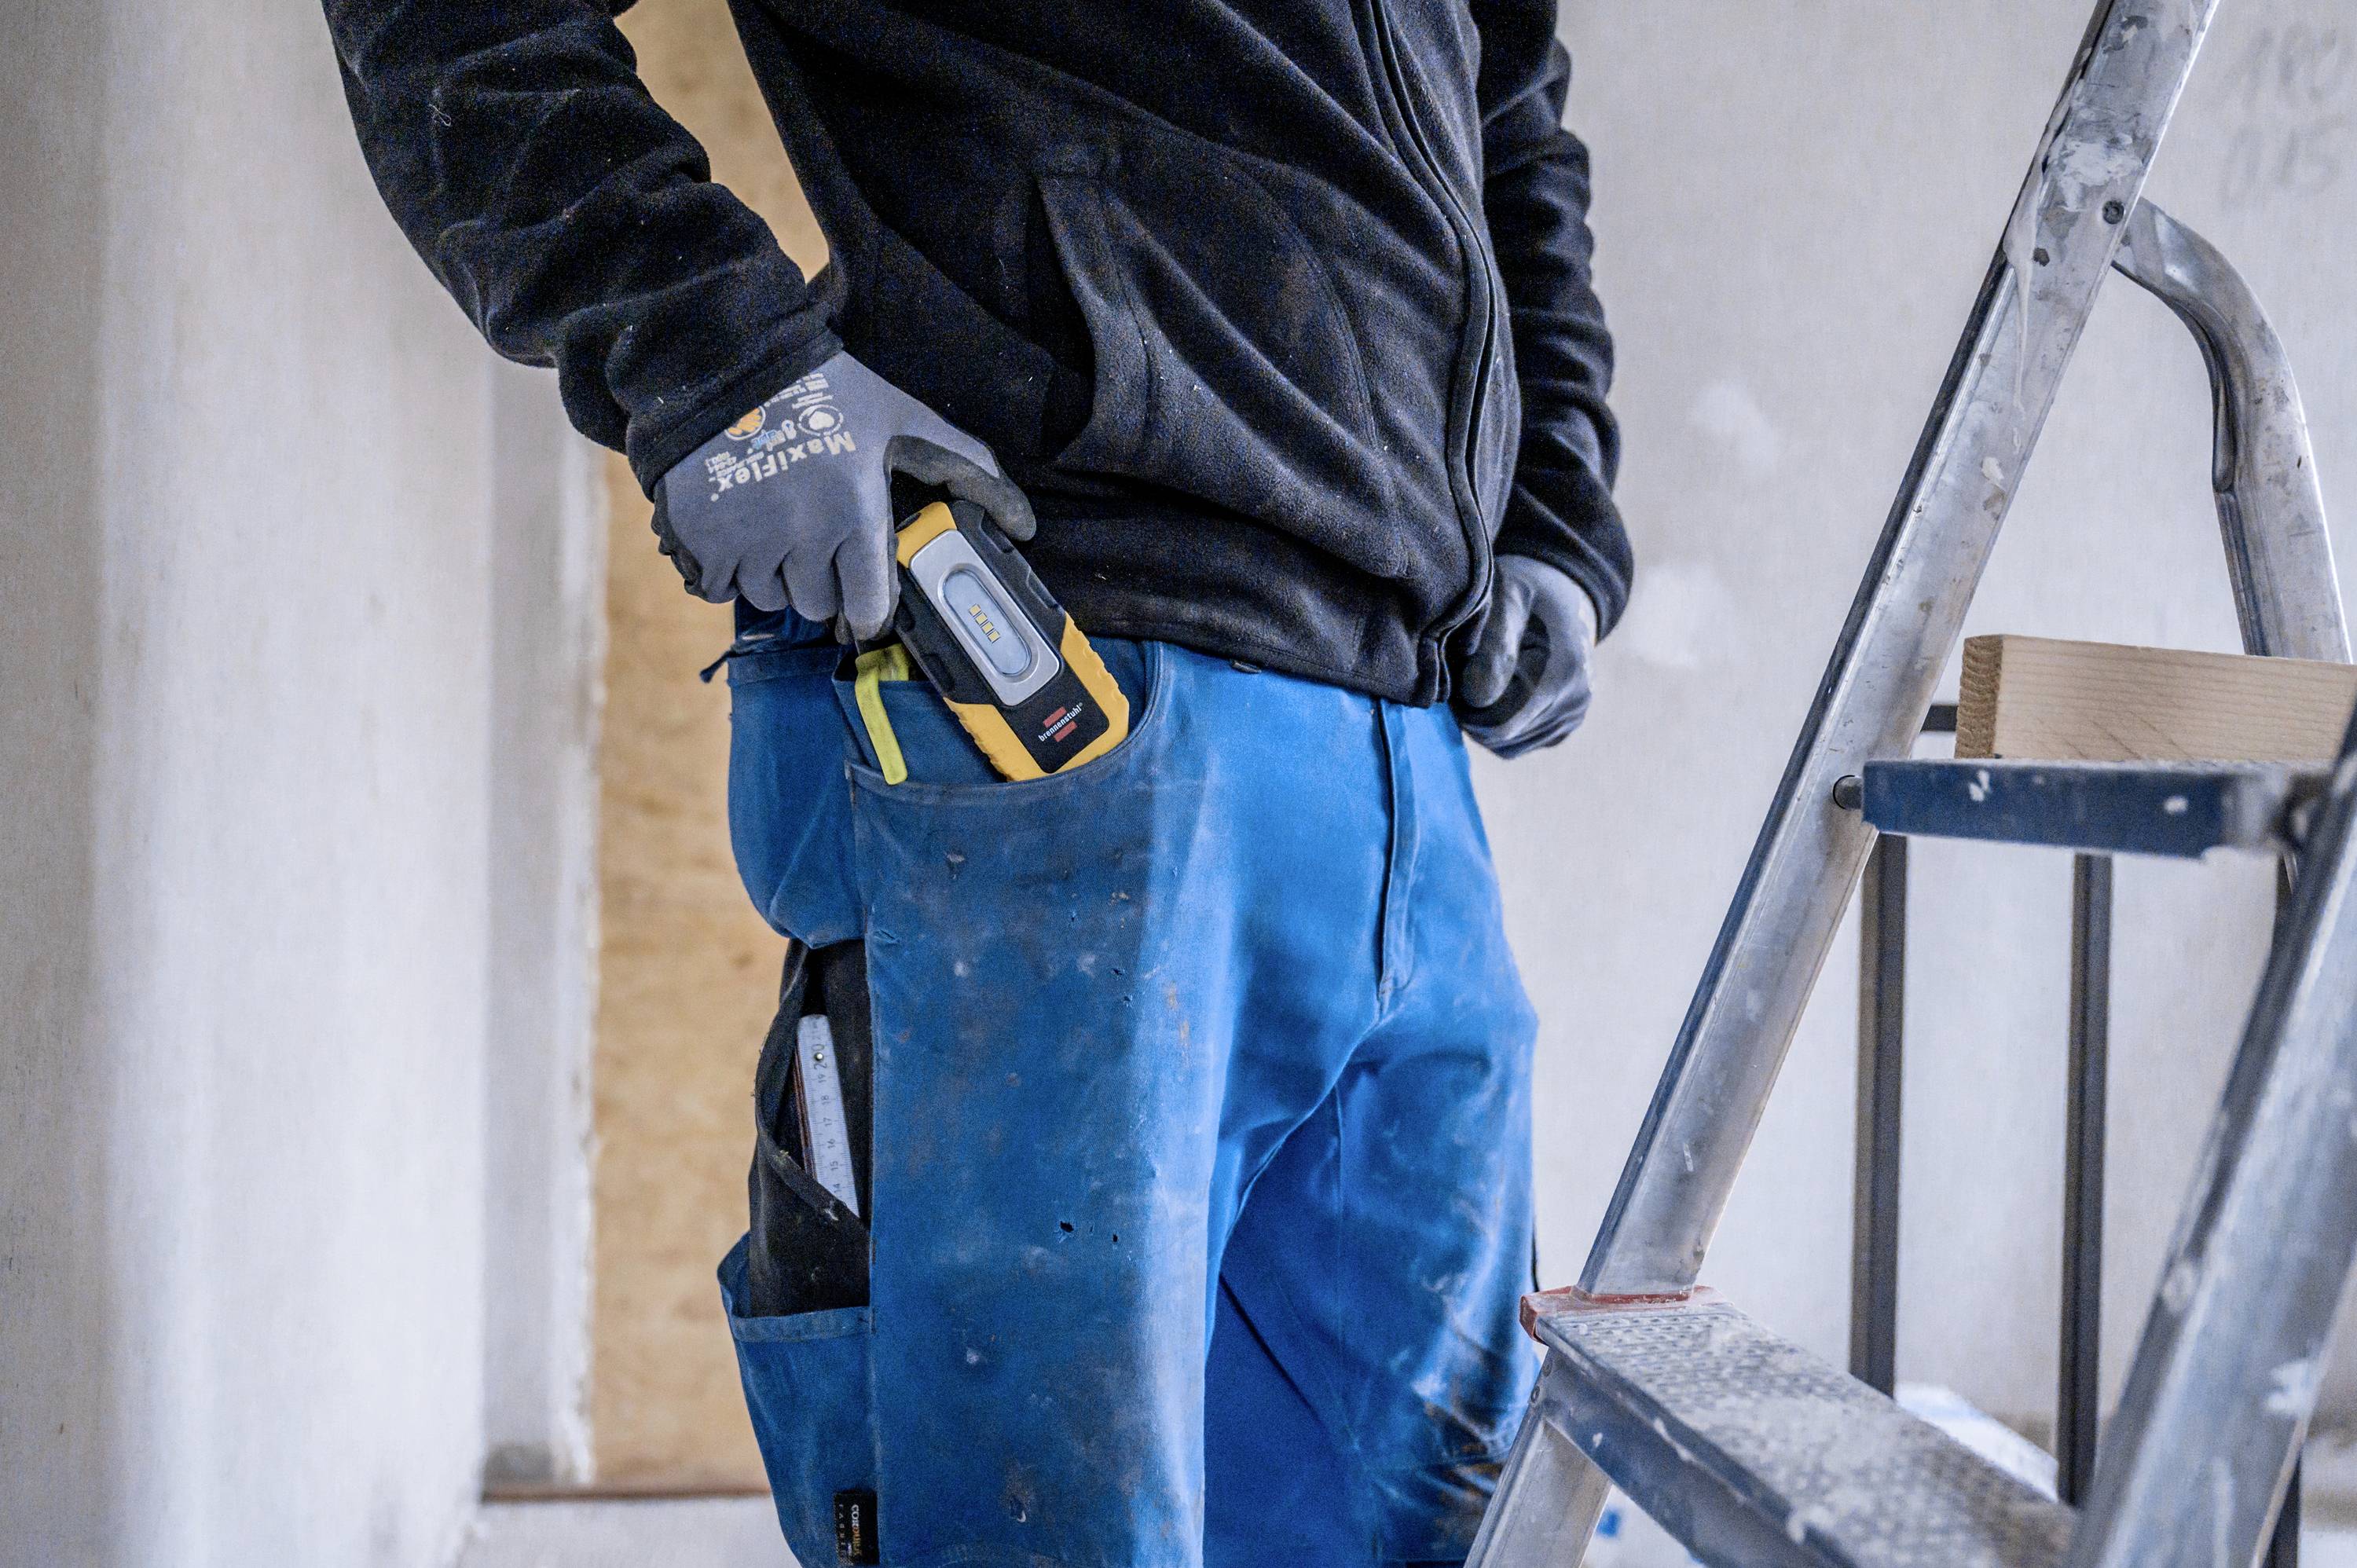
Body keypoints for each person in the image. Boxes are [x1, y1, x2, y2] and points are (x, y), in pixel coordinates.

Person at [324, 2, 1632, 1562]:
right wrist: (714, 362)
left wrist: (1556, 504)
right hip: (1065, 669)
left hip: (1414, 738)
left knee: (1440, 1526)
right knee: (1035, 1525)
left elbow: (1508, 96)